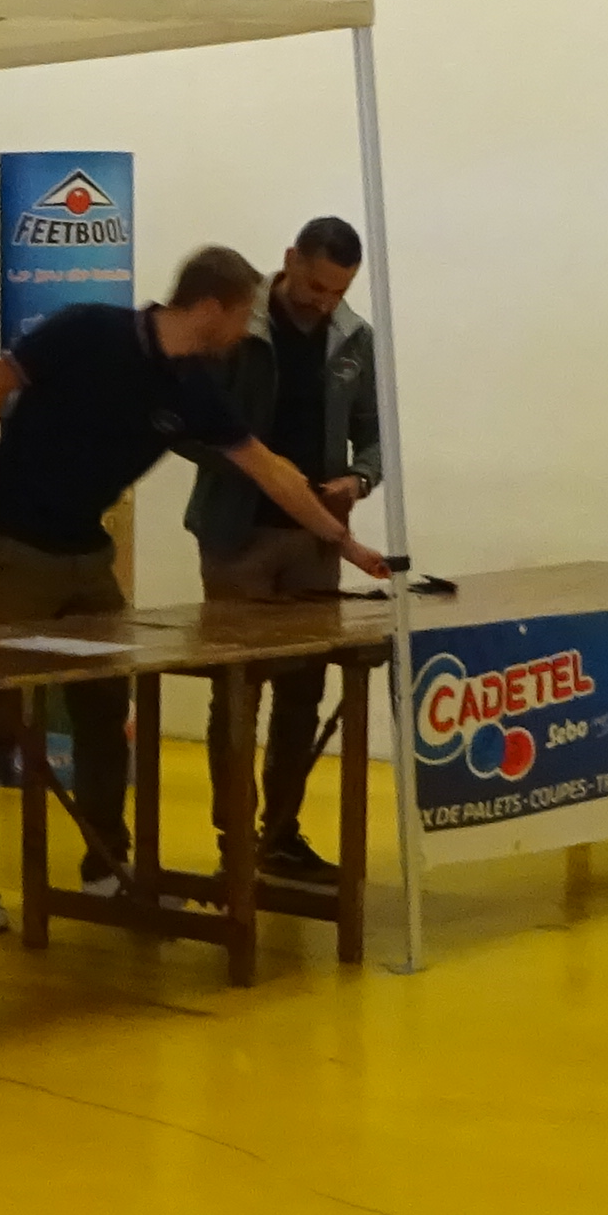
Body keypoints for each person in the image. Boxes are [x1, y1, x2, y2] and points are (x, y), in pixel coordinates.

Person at [0, 246, 389, 933]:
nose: (246, 330)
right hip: (12, 546)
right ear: (209, 308)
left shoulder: (194, 386)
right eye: (241, 315)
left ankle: (104, 869)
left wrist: (346, 543)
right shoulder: (89, 328)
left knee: (103, 715)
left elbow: (269, 468)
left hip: (86, 553)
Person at [181, 217, 385, 883]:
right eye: (315, 286)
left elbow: (377, 435)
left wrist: (359, 479)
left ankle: (282, 834)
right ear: (290, 259)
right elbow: (183, 424)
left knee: (304, 692)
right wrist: (254, 468)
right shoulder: (237, 326)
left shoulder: (355, 338)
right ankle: (234, 840)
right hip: (236, 535)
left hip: (314, 539)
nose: (324, 303)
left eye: (338, 292)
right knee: (237, 694)